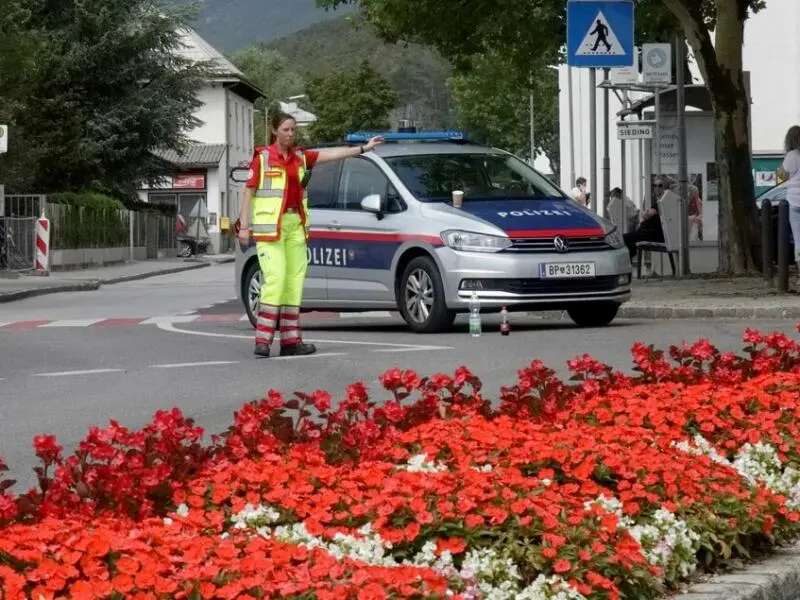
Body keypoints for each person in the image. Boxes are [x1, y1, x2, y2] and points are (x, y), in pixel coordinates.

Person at [237, 113, 384, 358]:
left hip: (296, 225)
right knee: (276, 279)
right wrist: (243, 225)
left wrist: (362, 149)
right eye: (285, 129)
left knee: (294, 281)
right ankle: (263, 340)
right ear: (274, 131)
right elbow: (248, 192)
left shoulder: (301, 157)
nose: (290, 134)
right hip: (270, 229)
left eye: (293, 129)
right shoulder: (262, 158)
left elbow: (331, 155)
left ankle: (291, 341)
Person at [622, 177, 666, 262]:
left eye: (660, 186)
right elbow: (645, 214)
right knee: (627, 238)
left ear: (663, 187)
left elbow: (646, 215)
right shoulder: (658, 201)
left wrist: (647, 213)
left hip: (653, 234)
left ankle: (629, 262)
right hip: (648, 232)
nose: (657, 188)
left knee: (625, 238)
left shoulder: (663, 201)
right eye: (655, 186)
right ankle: (630, 258)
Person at [777, 125, 800, 263]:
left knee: (798, 237)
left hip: (794, 201)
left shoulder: (791, 156)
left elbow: (780, 178)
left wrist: (779, 169)